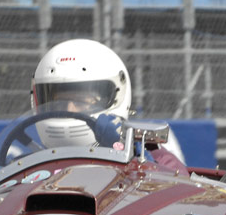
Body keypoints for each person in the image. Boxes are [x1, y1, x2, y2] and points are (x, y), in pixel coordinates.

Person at [31, 38, 186, 171]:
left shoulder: (152, 155)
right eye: (58, 103)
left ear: (117, 96)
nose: (69, 110)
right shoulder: (32, 167)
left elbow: (176, 188)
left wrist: (124, 152)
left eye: (81, 101)